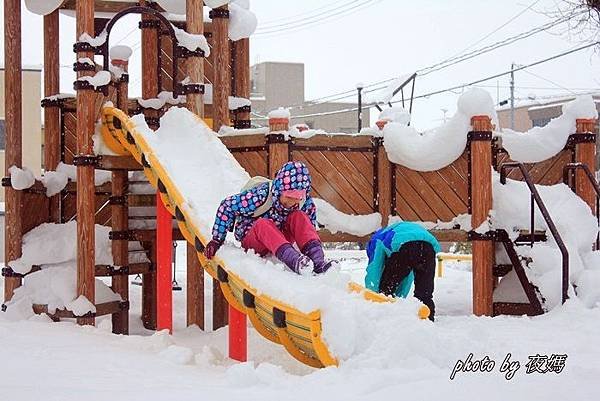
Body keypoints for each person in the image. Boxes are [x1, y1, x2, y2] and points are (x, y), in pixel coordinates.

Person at [204, 161, 332, 275]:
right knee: (263, 224)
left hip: (282, 241)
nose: (292, 203)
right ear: (279, 189)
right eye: (288, 197)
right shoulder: (260, 195)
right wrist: (217, 240)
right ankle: (294, 261)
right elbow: (227, 205)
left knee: (300, 216)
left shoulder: (305, 203)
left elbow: (307, 230)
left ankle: (318, 262)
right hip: (255, 241)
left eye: (297, 199)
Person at [365, 221, 441, 321]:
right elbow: (407, 275)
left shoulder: (376, 240)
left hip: (404, 245)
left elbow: (374, 270)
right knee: (424, 292)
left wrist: (372, 295)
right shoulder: (397, 230)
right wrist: (400, 299)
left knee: (386, 289)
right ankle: (427, 320)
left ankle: (383, 317)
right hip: (428, 248)